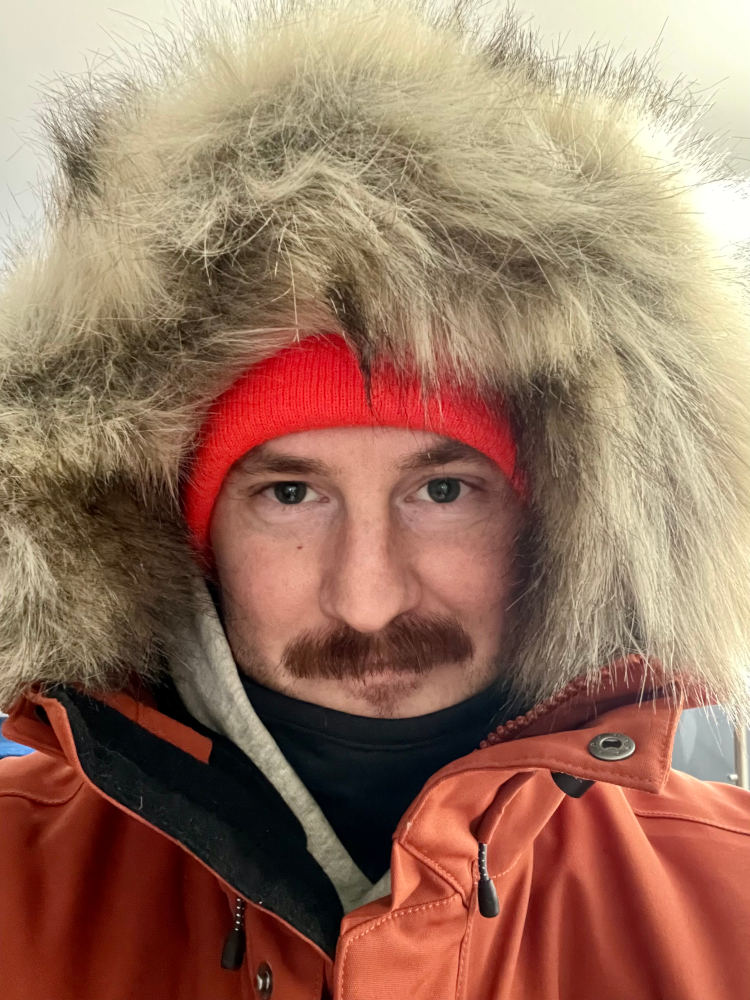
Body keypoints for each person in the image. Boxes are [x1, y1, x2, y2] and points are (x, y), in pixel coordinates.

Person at [1, 1, 750, 997]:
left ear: (558, 520)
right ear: (180, 532)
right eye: (290, 493)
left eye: (442, 489)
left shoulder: (729, 906)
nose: (368, 598)